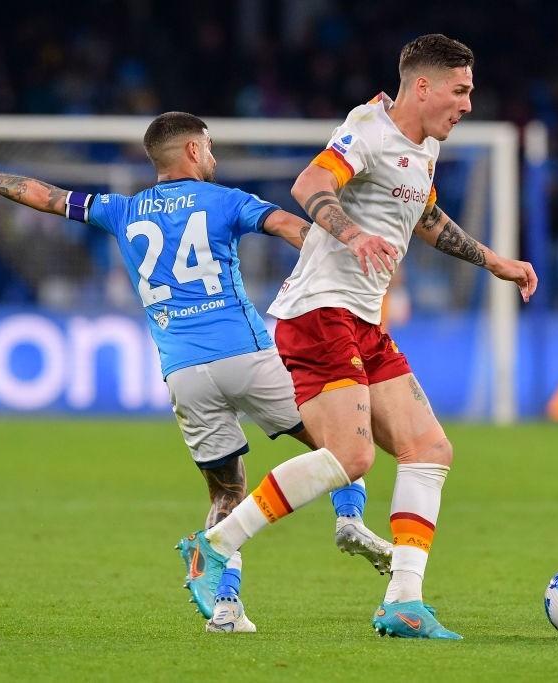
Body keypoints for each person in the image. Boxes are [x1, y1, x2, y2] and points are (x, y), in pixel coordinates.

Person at [0, 112, 392, 632]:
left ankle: (227, 607)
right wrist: (342, 248)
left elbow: (43, 194)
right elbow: (289, 225)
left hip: (184, 374)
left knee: (226, 492)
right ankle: (349, 520)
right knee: (343, 448)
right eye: (209, 147)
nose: (213, 157)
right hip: (249, 357)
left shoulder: (121, 210)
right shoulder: (227, 200)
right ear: (192, 151)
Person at [187, 34, 537, 638]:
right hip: (319, 312)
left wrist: (494, 261)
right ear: (421, 86)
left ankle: (403, 602)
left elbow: (422, 217)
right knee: (352, 458)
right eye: (461, 90)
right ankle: (215, 544)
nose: (468, 105)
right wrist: (351, 236)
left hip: (365, 320)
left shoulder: (422, 148)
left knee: (430, 450)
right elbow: (308, 185)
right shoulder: (367, 129)